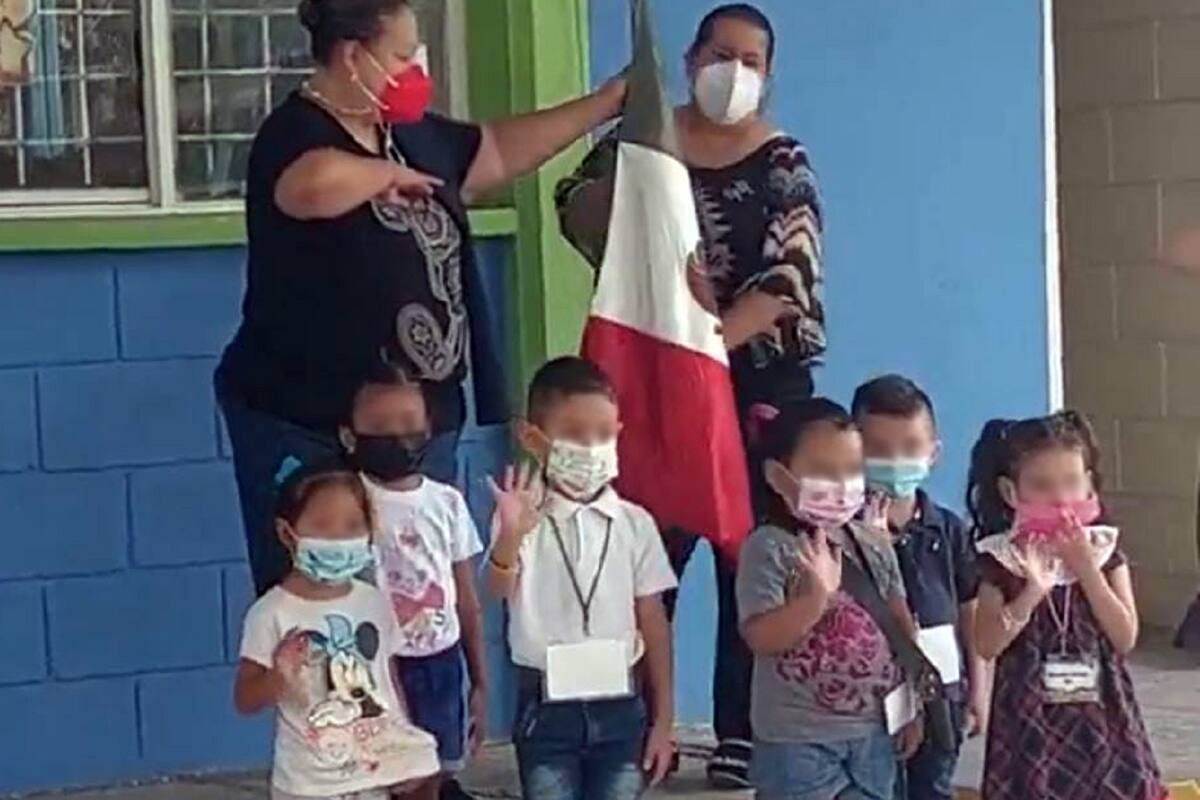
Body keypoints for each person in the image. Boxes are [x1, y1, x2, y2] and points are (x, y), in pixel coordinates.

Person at [217, 0, 627, 597]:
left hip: (417, 422)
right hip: (311, 421)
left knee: (416, 598)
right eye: (402, 56)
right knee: (327, 602)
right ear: (353, 55)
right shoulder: (295, 132)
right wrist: (382, 176)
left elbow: (496, 149)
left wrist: (606, 101)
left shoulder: (406, 134)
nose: (416, 70)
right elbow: (309, 186)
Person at [555, 5, 823, 784]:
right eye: (720, 53)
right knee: (644, 552)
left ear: (769, 74)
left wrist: (709, 341)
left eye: (751, 60)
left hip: (757, 382)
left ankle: (743, 733)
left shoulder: (783, 160)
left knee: (751, 555)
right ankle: (641, 729)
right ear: (691, 55)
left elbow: (788, 278)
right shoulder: (645, 138)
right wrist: (631, 183)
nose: (733, 71)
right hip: (653, 381)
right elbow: (576, 210)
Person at [484, 357, 677, 800]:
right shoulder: (522, 517)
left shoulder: (634, 522)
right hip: (546, 708)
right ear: (533, 438)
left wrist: (663, 719)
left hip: (621, 707)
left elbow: (654, 622)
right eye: (574, 436)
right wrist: (511, 536)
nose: (591, 448)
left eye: (604, 436)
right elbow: (494, 591)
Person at [967, 412, 1165, 800]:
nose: (1060, 499)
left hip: (1102, 713)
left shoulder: (1105, 551)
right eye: (1042, 486)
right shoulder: (1001, 560)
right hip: (1030, 719)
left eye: (1072, 483)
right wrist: (1031, 592)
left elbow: (1125, 636)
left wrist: (1086, 569)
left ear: (1089, 484)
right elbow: (986, 643)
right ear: (1011, 492)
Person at [737, 398, 923, 800]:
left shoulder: (873, 543)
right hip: (798, 744)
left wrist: (913, 705)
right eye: (824, 473)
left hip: (874, 733)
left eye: (852, 471)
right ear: (779, 476)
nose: (841, 486)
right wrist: (813, 599)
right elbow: (760, 637)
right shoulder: (769, 547)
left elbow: (900, 624)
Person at [234, 461, 440, 800]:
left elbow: (387, 680)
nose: (339, 538)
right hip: (311, 784)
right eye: (323, 527)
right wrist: (278, 677)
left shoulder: (373, 601)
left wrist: (403, 746)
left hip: (374, 772)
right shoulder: (272, 613)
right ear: (288, 534)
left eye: (352, 526)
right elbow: (244, 699)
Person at [338, 370, 485, 800]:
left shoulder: (447, 503)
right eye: (380, 429)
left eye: (408, 425)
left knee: (433, 774)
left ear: (428, 430)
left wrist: (480, 682)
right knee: (390, 775)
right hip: (377, 667)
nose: (396, 438)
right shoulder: (347, 503)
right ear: (350, 436)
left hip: (441, 663)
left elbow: (467, 600)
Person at [851, 376, 987, 800]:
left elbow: (971, 613)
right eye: (878, 449)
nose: (894, 461)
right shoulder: (841, 531)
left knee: (932, 788)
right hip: (868, 704)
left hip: (942, 696)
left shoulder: (948, 529)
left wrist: (978, 692)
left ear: (934, 454)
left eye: (909, 449)